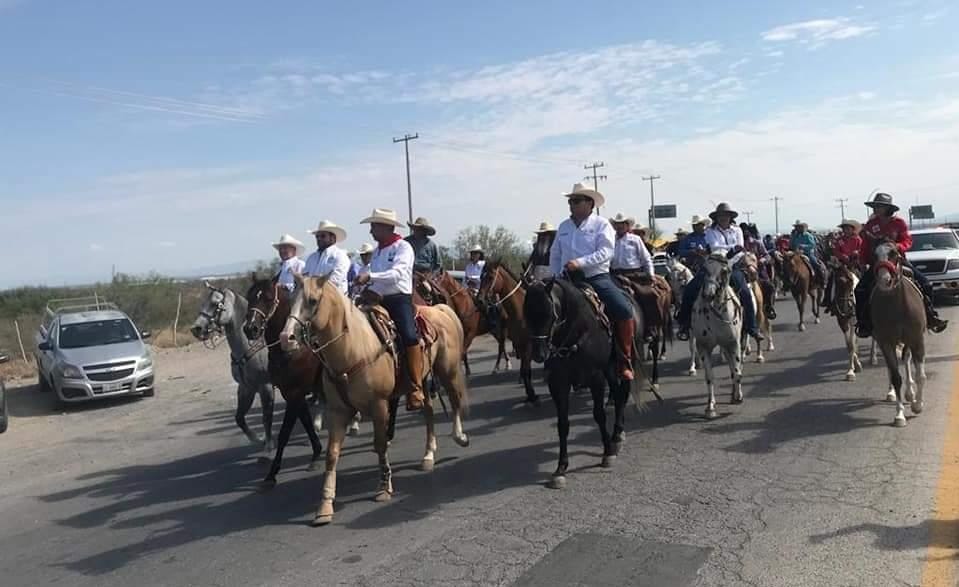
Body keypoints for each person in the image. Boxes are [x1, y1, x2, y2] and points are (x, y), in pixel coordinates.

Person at [549, 183, 638, 380]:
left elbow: (606, 252)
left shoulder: (602, 224)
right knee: (546, 309)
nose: (571, 204)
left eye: (576, 201)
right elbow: (555, 254)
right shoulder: (564, 226)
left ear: (589, 203)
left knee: (623, 309)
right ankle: (550, 355)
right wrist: (555, 276)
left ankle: (624, 359)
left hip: (596, 277)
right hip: (566, 280)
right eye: (570, 201)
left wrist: (579, 263)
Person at [352, 208, 427, 411]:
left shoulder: (403, 247)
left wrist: (371, 277)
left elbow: (397, 274)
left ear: (386, 227)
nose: (371, 231)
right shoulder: (377, 251)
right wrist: (359, 283)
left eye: (374, 226)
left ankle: (415, 386)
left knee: (409, 335)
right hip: (374, 299)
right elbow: (368, 272)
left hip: (398, 299)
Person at [855, 193, 948, 337]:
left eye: (880, 206)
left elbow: (907, 240)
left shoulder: (899, 223)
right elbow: (865, 246)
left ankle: (930, 316)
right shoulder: (870, 225)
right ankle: (863, 323)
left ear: (888, 208)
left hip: (897, 260)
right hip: (878, 263)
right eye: (876, 206)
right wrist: (863, 260)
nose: (877, 209)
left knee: (926, 283)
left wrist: (898, 246)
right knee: (860, 290)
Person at [676, 202, 764, 342]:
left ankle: (752, 327)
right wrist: (731, 249)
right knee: (690, 289)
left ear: (730, 217)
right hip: (713, 266)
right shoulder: (710, 232)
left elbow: (740, 247)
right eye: (721, 216)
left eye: (726, 215)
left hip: (732, 266)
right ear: (716, 217)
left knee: (746, 294)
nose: (724, 218)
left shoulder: (737, 230)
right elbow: (716, 248)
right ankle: (684, 324)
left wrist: (731, 250)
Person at [610, 212, 657, 342]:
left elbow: (646, 258)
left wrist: (651, 275)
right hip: (614, 275)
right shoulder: (609, 239)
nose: (619, 226)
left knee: (648, 295)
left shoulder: (635, 239)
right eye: (617, 224)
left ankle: (649, 328)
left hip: (634, 275)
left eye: (622, 224)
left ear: (627, 225)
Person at [822, 220, 863, 314]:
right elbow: (836, 251)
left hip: (855, 264)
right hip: (842, 264)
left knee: (863, 278)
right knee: (831, 278)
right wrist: (842, 256)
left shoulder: (857, 239)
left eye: (848, 228)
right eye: (844, 229)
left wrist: (856, 253)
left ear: (853, 229)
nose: (846, 230)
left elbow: (862, 249)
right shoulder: (839, 240)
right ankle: (828, 300)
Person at [304, 220, 351, 295]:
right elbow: (305, 278)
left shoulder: (340, 256)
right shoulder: (311, 258)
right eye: (317, 236)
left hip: (335, 299)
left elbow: (335, 280)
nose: (319, 239)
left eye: (323, 236)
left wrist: (313, 283)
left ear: (333, 238)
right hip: (313, 297)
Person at [789, 221, 826, 289]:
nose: (798, 228)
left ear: (804, 228)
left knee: (816, 264)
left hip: (807, 253)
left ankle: (822, 281)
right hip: (796, 254)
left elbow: (813, 245)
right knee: (788, 265)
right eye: (797, 227)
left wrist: (803, 246)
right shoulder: (794, 236)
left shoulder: (808, 235)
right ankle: (786, 282)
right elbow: (791, 245)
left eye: (800, 227)